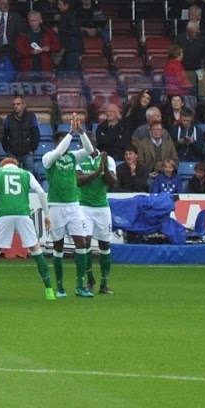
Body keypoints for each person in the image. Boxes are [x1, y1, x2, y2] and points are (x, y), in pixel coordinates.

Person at [0, 157, 56, 301]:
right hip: (23, 215)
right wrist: (46, 214)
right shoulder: (26, 173)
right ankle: (49, 290)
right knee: (36, 251)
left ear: (3, 165)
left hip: (4, 215)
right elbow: (40, 191)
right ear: (16, 164)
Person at [42, 126, 94, 299]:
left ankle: (80, 286)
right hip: (56, 206)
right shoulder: (48, 158)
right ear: (56, 143)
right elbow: (58, 153)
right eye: (64, 141)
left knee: (81, 242)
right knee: (58, 247)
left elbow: (89, 149)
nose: (68, 146)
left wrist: (81, 132)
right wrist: (70, 133)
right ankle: (60, 286)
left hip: (74, 206)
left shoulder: (73, 157)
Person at [75, 128, 119, 294]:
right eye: (80, 144)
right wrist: (97, 172)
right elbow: (79, 181)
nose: (81, 147)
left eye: (84, 144)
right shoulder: (79, 159)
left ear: (93, 144)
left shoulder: (108, 160)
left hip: (101, 207)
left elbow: (113, 184)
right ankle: (89, 279)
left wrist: (104, 167)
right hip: (83, 206)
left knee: (104, 244)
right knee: (85, 242)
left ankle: (104, 283)